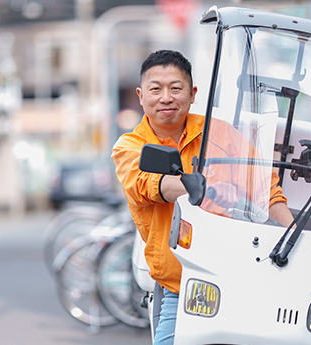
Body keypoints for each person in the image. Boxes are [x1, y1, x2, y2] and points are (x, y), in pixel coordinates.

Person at [112, 50, 294, 344]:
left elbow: (265, 189)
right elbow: (145, 184)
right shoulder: (130, 145)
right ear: (141, 95)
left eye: (176, 87)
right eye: (155, 89)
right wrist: (197, 186)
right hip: (180, 285)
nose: (166, 97)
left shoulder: (221, 133)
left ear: (193, 93)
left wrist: (294, 235)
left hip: (238, 276)